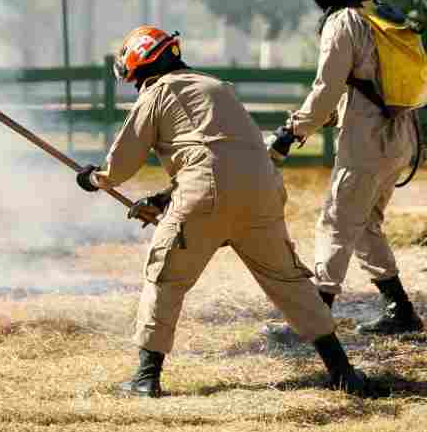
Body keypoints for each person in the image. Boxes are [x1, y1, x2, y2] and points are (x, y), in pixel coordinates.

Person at [75, 25, 384, 399]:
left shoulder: (157, 92)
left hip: (204, 192)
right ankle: (343, 373)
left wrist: (95, 179)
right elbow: (226, 155)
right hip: (263, 191)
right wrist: (167, 198)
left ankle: (145, 379)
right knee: (290, 282)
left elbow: (124, 163)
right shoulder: (218, 88)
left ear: (139, 67)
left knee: (166, 277)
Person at [269, 0, 423, 338]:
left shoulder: (343, 22)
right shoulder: (378, 11)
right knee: (365, 223)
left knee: (336, 222)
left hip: (367, 140)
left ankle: (312, 320)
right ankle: (400, 310)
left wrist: (292, 131)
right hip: (401, 136)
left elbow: (326, 90)